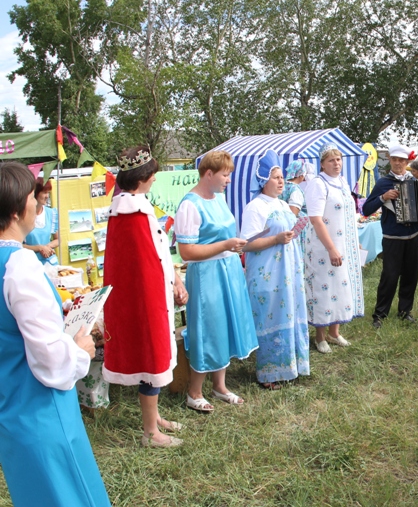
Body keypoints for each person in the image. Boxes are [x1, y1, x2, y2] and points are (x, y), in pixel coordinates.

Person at [0, 161, 110, 506]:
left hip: (10, 409)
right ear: (17, 210)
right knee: (69, 494)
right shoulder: (19, 266)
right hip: (41, 410)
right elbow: (50, 359)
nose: (38, 204)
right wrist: (80, 349)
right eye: (33, 197)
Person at [103, 145, 188, 448]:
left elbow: (158, 255)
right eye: (152, 173)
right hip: (146, 300)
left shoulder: (130, 207)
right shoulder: (133, 213)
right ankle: (150, 432)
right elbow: (149, 264)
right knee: (150, 357)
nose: (155, 178)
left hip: (147, 297)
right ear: (142, 177)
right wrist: (169, 286)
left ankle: (155, 418)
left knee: (153, 356)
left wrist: (175, 279)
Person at [175, 150, 258, 412]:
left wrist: (233, 248)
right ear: (208, 174)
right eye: (225, 175)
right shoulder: (190, 205)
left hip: (228, 269)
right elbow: (186, 252)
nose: (229, 180)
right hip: (206, 275)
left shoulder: (219, 198)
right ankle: (194, 392)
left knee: (225, 324)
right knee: (208, 328)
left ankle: (220, 386)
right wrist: (225, 245)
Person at [241, 151, 309, 390]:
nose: (281, 181)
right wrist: (276, 239)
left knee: (289, 314)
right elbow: (247, 243)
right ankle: (269, 373)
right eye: (276, 178)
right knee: (270, 317)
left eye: (282, 177)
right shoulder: (255, 207)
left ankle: (292, 366)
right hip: (268, 273)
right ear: (263, 181)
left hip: (288, 271)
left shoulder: (282, 204)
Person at [363, 146, 418, 328]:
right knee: (389, 276)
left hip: (414, 235)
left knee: (410, 275)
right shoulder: (383, 183)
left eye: (401, 160)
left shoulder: (415, 181)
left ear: (407, 162)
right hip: (393, 237)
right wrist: (383, 197)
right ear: (390, 161)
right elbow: (366, 209)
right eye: (394, 159)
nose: (397, 163)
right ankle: (380, 314)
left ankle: (405, 311)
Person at [304, 144, 365, 352]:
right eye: (331, 160)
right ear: (322, 164)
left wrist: (353, 239)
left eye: (338, 159)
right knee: (324, 288)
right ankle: (320, 336)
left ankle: (334, 332)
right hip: (324, 246)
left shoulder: (342, 182)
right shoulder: (318, 184)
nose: (336, 163)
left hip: (344, 244)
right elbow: (316, 219)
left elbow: (348, 214)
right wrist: (331, 248)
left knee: (340, 286)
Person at [22, 177, 59, 265]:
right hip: (30, 263)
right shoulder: (23, 215)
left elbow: (58, 239)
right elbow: (18, 244)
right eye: (45, 192)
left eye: (48, 193)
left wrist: (47, 247)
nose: (47, 196)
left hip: (50, 263)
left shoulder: (51, 213)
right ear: (35, 193)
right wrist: (38, 248)